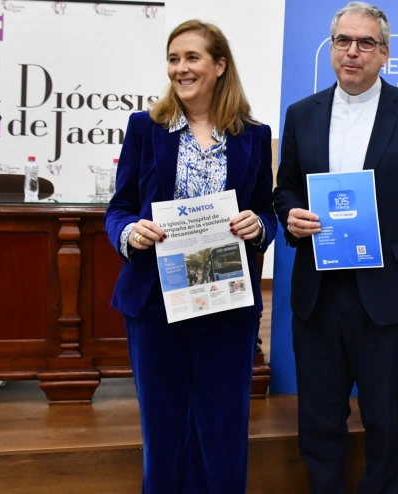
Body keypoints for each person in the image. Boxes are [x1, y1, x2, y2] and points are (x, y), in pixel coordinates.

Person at [273, 2, 398, 492]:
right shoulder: (301, 114)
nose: (353, 52)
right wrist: (291, 215)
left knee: (385, 420)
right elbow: (285, 189)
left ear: (385, 53)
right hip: (318, 295)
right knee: (318, 419)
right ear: (332, 48)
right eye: (343, 41)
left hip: (388, 297)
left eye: (366, 43)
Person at [104, 20, 275, 493]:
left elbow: (265, 209)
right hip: (155, 302)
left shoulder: (253, 135)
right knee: (163, 430)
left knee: (223, 429)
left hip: (227, 299)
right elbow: (118, 208)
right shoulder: (145, 128)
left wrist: (259, 225)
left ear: (219, 66)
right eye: (173, 58)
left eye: (192, 57)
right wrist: (130, 231)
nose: (181, 68)